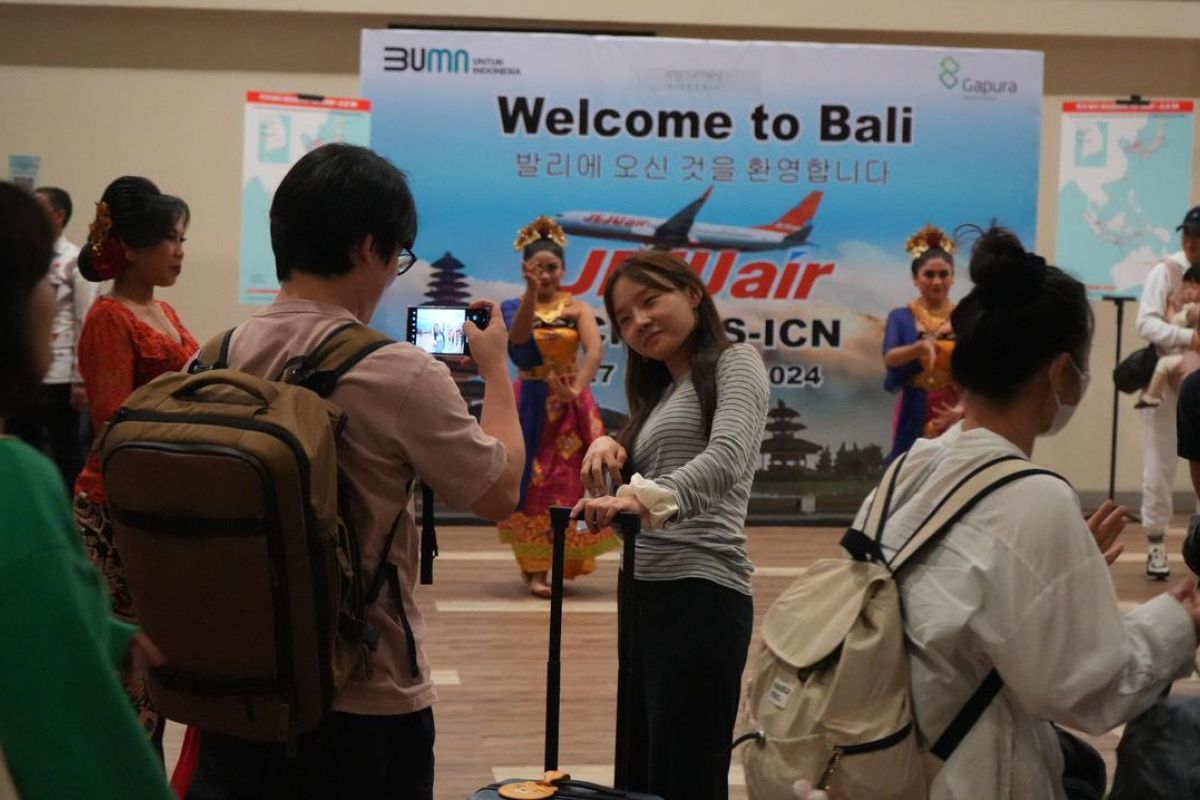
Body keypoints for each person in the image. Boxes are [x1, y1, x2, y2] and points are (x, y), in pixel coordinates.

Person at [184, 143, 524, 800]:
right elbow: (499, 493)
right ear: (369, 247)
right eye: (398, 257)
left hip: (238, 688)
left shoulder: (215, 355)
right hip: (364, 698)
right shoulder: (396, 370)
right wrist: (496, 372)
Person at [855, 226, 1200, 799]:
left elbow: (957, 604)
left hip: (884, 760)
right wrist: (1178, 625)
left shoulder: (908, 468)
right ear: (1065, 373)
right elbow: (1083, 689)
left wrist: (1060, 569)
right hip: (966, 777)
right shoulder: (1033, 497)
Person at [572, 251, 769, 800]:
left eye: (650, 300)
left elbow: (729, 459)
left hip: (703, 591)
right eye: (625, 318)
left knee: (686, 774)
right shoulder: (657, 396)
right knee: (642, 771)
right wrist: (612, 454)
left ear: (693, 294)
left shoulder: (736, 363)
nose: (639, 322)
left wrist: (640, 495)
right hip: (643, 592)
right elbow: (634, 517)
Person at [0, 181, 173, 799]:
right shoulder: (14, 484)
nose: (55, 294)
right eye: (40, 277)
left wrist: (101, 632)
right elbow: (80, 752)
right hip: (119, 506)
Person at [74, 175, 197, 750]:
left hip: (158, 503)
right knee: (130, 670)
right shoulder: (110, 317)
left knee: (158, 663)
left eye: (182, 239)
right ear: (134, 246)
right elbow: (112, 423)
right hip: (115, 509)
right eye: (170, 239)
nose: (179, 251)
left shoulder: (164, 310)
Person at [498, 216, 620, 598]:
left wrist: (578, 388)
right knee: (530, 482)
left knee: (569, 482)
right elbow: (516, 341)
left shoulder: (577, 309)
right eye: (538, 268)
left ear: (564, 269)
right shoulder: (515, 306)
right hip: (530, 404)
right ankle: (533, 568)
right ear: (525, 269)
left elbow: (594, 349)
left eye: (552, 267)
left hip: (570, 408)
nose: (546, 274)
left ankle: (560, 563)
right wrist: (531, 294)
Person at [5, 186, 98, 489]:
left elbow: (84, 318)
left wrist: (80, 377)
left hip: (60, 373)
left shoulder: (74, 260)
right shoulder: (22, 254)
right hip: (28, 372)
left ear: (60, 215)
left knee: (65, 447)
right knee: (25, 439)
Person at [1136, 205, 1200, 579]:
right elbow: (1146, 322)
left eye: (1198, 236)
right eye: (1187, 234)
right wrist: (1187, 337)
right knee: (1159, 463)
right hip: (1172, 375)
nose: (1191, 241)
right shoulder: (1166, 271)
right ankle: (1156, 542)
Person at [882, 224, 963, 463]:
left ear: (952, 277)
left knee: (952, 469)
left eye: (943, 274)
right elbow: (889, 357)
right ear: (915, 278)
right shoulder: (901, 317)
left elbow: (976, 373)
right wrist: (919, 348)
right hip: (913, 403)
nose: (937, 282)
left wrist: (960, 410)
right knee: (906, 467)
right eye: (929, 275)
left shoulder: (964, 318)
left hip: (953, 406)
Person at [1136, 265, 1200, 409]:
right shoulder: (1166, 269)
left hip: (1191, 359)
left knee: (1164, 364)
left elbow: (1175, 321)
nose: (1189, 292)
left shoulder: (1193, 309)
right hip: (1189, 360)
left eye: (1194, 287)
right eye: (1186, 287)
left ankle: (1152, 396)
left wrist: (1170, 309)